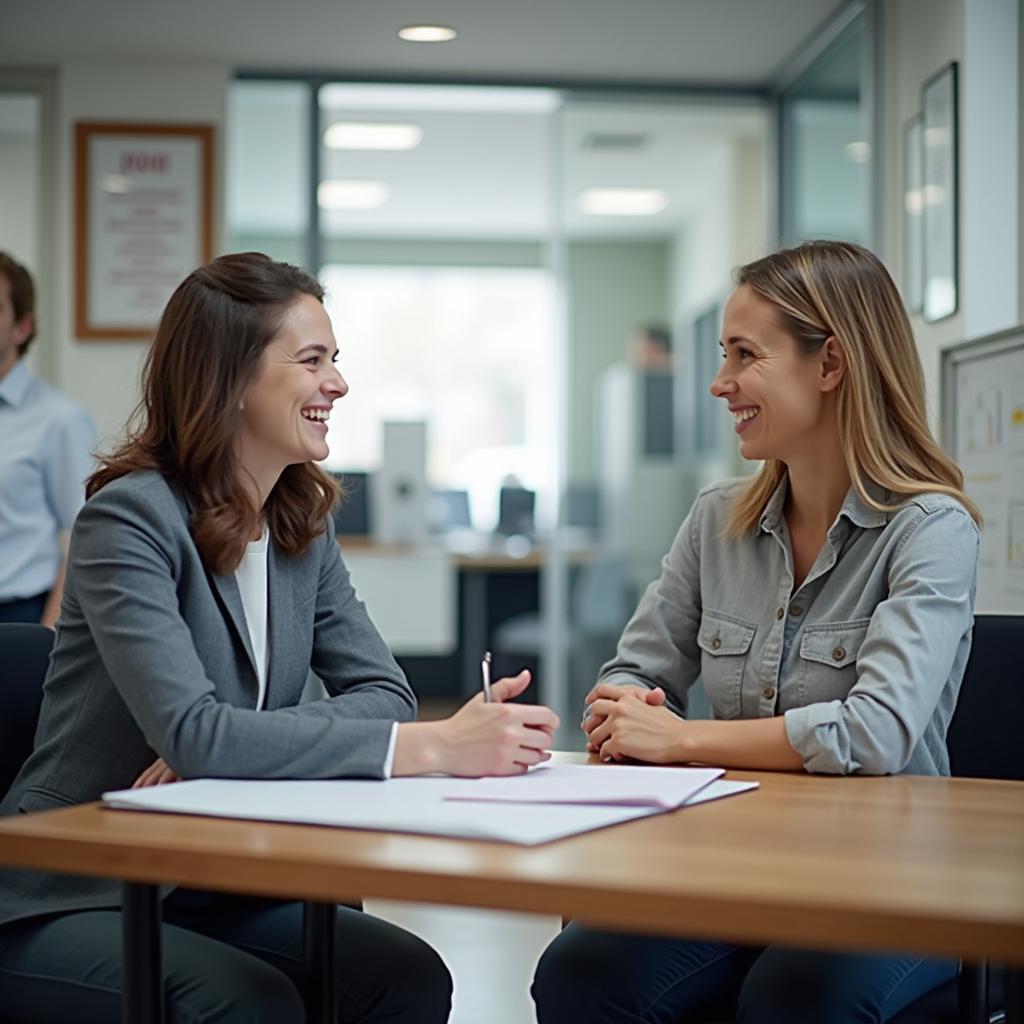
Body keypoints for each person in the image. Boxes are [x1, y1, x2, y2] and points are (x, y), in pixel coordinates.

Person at [0, 252, 559, 1024]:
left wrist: (235, 746)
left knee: (404, 974)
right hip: (83, 888)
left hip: (218, 872)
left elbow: (384, 694)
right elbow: (200, 734)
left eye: (336, 360)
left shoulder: (301, 526)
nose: (338, 383)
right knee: (247, 1001)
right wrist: (429, 747)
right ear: (229, 380)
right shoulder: (130, 521)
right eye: (312, 360)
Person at [532, 240, 981, 1024]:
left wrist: (679, 741)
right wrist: (624, 701)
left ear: (830, 364)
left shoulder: (930, 529)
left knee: (795, 999)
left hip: (899, 878)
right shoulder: (716, 519)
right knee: (584, 972)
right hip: (738, 862)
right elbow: (637, 666)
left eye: (745, 355)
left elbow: (875, 733)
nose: (718, 383)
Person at [0, 251, 95, 626]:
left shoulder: (59, 420)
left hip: (16, 618)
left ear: (22, 327)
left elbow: (85, 536)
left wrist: (47, 636)